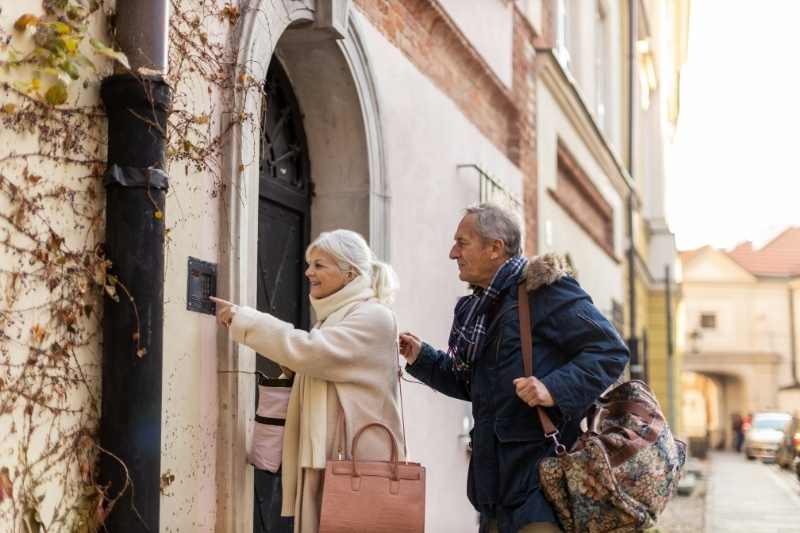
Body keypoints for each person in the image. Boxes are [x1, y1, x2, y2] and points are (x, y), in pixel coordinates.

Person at [399, 204, 629, 533]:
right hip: (493, 490)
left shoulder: (544, 290)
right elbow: (476, 386)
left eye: (462, 242)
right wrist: (422, 358)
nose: (453, 253)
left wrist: (552, 389)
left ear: (495, 248)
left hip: (541, 485)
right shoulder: (484, 307)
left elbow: (609, 351)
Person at [212, 229, 404, 533]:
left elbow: (312, 352)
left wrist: (244, 319)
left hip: (357, 466)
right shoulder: (336, 317)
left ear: (349, 272)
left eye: (319, 265)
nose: (308, 272)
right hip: (330, 460)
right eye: (309, 264)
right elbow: (317, 361)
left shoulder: (373, 317)